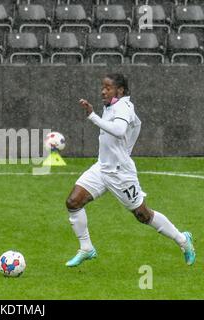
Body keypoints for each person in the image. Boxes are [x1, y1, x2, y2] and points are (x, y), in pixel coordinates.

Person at [65, 73, 196, 267]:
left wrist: (93, 116)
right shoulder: (111, 105)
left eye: (108, 88)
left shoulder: (124, 107)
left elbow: (118, 130)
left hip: (120, 172)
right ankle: (86, 248)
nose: (103, 91)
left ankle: (183, 241)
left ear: (120, 90)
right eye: (103, 87)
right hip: (102, 167)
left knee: (143, 215)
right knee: (73, 202)